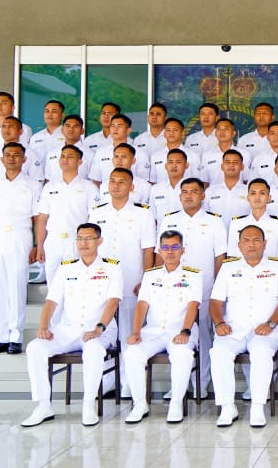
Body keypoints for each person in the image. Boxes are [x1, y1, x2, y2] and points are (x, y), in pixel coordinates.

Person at [21, 223, 121, 428]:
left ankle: (88, 404)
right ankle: (43, 405)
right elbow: (51, 302)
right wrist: (43, 326)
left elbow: (113, 302)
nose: (83, 243)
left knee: (93, 350)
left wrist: (99, 328)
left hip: (100, 330)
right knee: (35, 347)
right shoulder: (66, 268)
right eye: (80, 239)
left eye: (89, 238)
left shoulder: (112, 267)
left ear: (99, 241)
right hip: (68, 329)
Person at [208, 225, 278, 428]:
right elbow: (215, 301)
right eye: (246, 241)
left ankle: (257, 407)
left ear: (265, 244)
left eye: (256, 240)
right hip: (233, 329)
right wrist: (219, 323)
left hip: (267, 329)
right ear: (239, 245)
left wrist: (271, 323)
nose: (251, 245)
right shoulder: (228, 268)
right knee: (218, 352)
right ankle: (227, 407)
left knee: (261, 353)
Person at [157, 178, 227, 395]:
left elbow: (220, 256)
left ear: (202, 195)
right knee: (175, 334)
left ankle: (201, 384)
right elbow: (160, 254)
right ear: (179, 196)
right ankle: (178, 386)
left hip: (204, 289)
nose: (189, 195)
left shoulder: (214, 221)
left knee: (204, 337)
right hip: (172, 290)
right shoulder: (169, 219)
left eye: (194, 191)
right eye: (185, 192)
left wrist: (218, 287)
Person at [123, 230, 202, 424]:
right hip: (154, 331)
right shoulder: (150, 275)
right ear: (159, 250)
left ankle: (176, 403)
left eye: (175, 247)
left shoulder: (194, 275)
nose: (170, 252)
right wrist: (136, 332)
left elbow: (193, 305)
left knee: (182, 354)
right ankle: (139, 404)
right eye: (165, 247)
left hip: (181, 330)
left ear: (183, 250)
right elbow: (142, 305)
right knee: (132, 353)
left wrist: (185, 331)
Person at [89, 167, 156, 375]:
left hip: (131, 280)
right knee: (103, 331)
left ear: (131, 186)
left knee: (129, 331)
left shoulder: (143, 213)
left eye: (122, 182)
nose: (116, 186)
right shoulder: (97, 212)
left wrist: (146, 280)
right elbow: (90, 247)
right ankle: (108, 379)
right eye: (113, 181)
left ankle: (128, 381)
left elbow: (148, 250)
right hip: (102, 282)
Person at [0, 142, 40, 355]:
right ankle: (1, 335)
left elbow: (37, 218)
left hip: (20, 235)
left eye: (16, 155)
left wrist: (37, 244)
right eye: (8, 155)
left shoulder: (33, 185)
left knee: (16, 285)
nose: (12, 158)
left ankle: (16, 335)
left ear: (24, 159)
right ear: (1, 159)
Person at [34, 145, 99, 283]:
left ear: (80, 161)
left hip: (77, 241)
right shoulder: (49, 187)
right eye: (62, 156)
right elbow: (42, 219)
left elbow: (93, 218)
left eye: (70, 157)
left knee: (76, 284)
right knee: (53, 284)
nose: (65, 160)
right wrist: (39, 245)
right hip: (53, 241)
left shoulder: (89, 187)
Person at [227, 178, 278, 259]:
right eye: (253, 193)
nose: (257, 197)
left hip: (270, 267)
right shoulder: (236, 223)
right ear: (248, 198)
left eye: (262, 193)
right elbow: (232, 256)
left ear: (269, 198)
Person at [197, 118, 250, 189]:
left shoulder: (244, 154)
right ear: (215, 133)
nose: (222, 132)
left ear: (233, 133)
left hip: (238, 194)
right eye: (219, 129)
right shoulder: (207, 155)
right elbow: (204, 182)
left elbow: (247, 180)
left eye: (226, 129)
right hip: (213, 194)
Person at [87, 113, 135, 185]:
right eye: (113, 126)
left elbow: (143, 180)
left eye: (119, 126)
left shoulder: (139, 153)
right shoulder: (101, 152)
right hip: (105, 191)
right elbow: (96, 180)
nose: (115, 129)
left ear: (128, 130)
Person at [43, 115, 92, 183]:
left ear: (82, 131)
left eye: (75, 126)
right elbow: (48, 179)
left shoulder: (91, 154)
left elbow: (94, 180)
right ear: (62, 130)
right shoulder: (52, 154)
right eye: (68, 126)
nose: (71, 129)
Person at [203, 149, 250, 220]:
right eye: (227, 162)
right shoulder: (210, 192)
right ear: (222, 166)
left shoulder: (249, 192)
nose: (231, 165)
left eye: (235, 162)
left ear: (242, 167)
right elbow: (205, 217)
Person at [24, 99, 65, 180]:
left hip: (58, 180)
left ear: (62, 115)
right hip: (37, 179)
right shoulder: (35, 137)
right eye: (47, 111)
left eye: (54, 111)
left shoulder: (67, 136)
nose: (49, 114)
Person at [149, 149, 189, 226]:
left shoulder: (192, 188)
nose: (174, 166)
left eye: (178, 162)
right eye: (170, 162)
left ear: (186, 165)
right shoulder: (156, 189)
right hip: (162, 232)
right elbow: (152, 218)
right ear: (166, 166)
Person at [148, 117, 191, 184]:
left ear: (182, 133)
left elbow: (198, 182)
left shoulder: (193, 156)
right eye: (168, 130)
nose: (171, 133)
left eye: (175, 130)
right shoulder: (156, 156)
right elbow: (153, 182)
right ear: (164, 134)